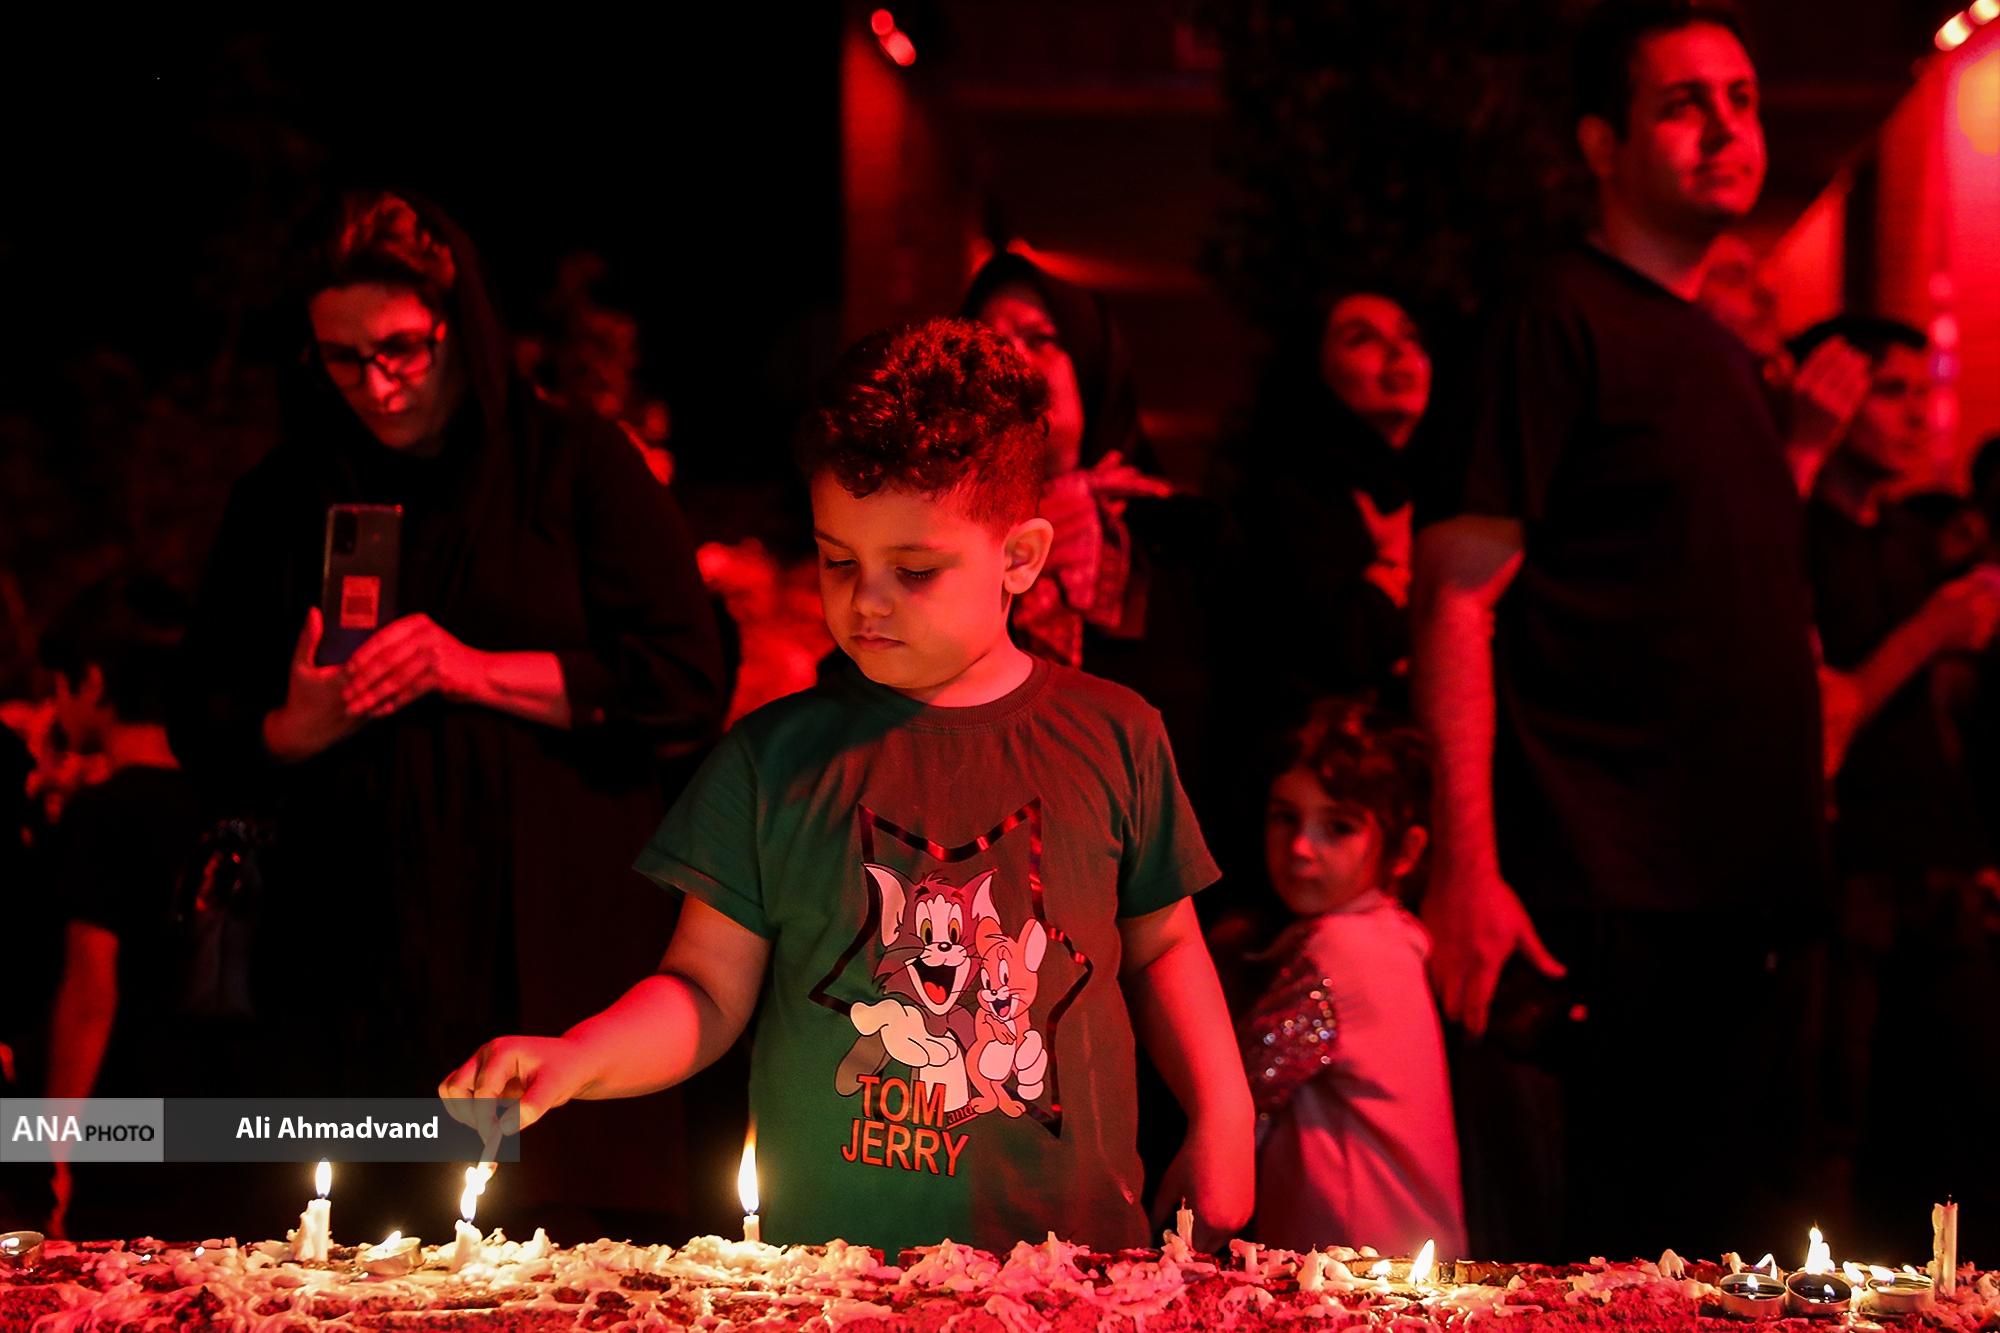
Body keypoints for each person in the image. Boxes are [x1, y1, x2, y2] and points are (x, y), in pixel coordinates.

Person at [443, 319, 1255, 1256]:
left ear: (1021, 558)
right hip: (834, 1282)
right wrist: (582, 1056)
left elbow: (1164, 947)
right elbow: (704, 989)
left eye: (914, 570)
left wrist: (1223, 1115)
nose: (866, 600)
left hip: (1072, 1270)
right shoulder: (771, 760)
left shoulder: (1116, 735)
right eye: (839, 560)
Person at [169, 190, 728, 1238]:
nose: (377, 386)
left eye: (401, 350)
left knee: (561, 1269)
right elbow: (200, 722)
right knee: (338, 1259)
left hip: (547, 979)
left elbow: (685, 679)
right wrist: (292, 730)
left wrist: (467, 668)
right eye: (343, 359)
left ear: (458, 328)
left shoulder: (573, 464)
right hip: (345, 1001)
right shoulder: (283, 495)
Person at [1412, 1, 1825, 1259]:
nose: (1724, 129)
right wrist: (1467, 870)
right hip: (1599, 897)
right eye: (1682, 104)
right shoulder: (1551, 317)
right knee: (1594, 1269)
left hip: (1739, 900)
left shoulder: (1719, 352)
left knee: (1718, 1266)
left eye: (1741, 100)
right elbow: (1456, 596)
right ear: (1602, 144)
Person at [1795, 315, 2000, 1249]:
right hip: (1854, 869)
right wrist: (1930, 631)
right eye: (1892, 392)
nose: (1917, 414)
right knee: (1841, 1120)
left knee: (1962, 1108)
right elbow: (1828, 718)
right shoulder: (1801, 538)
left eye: (1924, 393)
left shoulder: (1911, 538)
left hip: (1939, 860)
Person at [1239, 699, 1464, 1257]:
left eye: (1337, 828)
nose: (1300, 847)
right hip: (1397, 1258)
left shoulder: (1340, 951)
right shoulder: (1391, 938)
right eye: (1285, 817)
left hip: (1359, 1266)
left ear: (1405, 851)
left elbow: (1243, 1083)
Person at [1238, 292, 1433, 715]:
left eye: (1410, 336)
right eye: (1363, 339)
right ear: (1316, 370)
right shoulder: (1292, 496)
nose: (1398, 351)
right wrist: (1395, 560)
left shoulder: (1448, 484)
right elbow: (1330, 650)